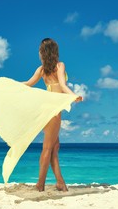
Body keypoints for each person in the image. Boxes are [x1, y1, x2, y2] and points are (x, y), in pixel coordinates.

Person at [23, 38, 83, 192]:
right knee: (47, 148)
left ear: (43, 53)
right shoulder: (59, 66)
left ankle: (60, 182)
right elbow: (63, 85)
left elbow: (28, 84)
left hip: (47, 109)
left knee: (55, 146)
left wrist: (12, 84)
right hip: (53, 110)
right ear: (54, 51)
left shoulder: (42, 69)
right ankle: (40, 185)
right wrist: (73, 95)